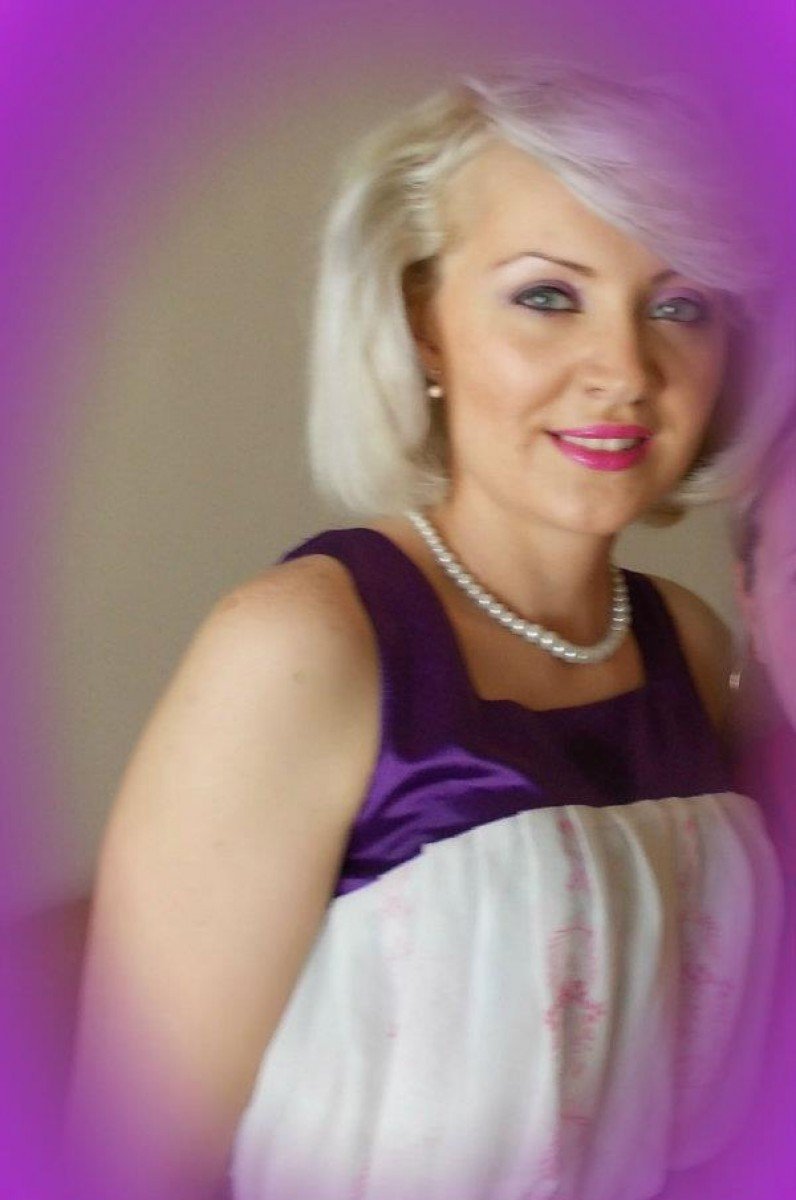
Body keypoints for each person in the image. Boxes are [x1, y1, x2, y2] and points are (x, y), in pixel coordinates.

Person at [63, 65, 787, 1200]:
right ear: (425, 326)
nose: (624, 373)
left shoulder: (688, 645)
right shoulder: (305, 650)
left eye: (678, 305)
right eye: (547, 296)